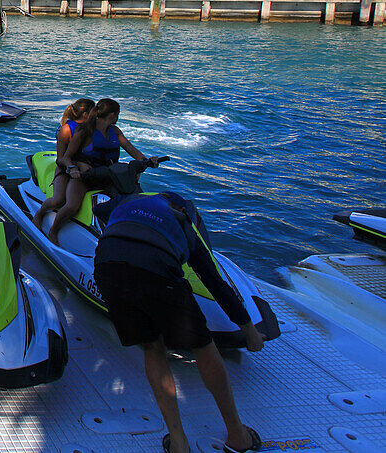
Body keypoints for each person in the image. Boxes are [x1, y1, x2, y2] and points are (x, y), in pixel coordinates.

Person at [93, 192, 263, 453]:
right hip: (157, 267)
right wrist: (249, 331)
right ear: (184, 211)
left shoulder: (128, 200)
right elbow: (215, 283)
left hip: (107, 264)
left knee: (152, 346)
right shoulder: (184, 223)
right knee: (203, 346)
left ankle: (178, 441)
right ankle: (237, 435)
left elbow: (101, 211)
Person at [49, 98, 161, 245]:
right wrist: (73, 168)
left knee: (130, 198)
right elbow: (67, 157)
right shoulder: (84, 131)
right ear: (113, 115)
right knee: (71, 206)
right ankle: (54, 230)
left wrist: (147, 160)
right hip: (84, 177)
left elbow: (132, 150)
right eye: (118, 115)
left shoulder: (115, 132)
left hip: (107, 176)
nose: (118, 118)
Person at [32, 98, 95, 228]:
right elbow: (60, 159)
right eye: (94, 111)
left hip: (83, 171)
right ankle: (40, 212)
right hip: (65, 169)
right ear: (85, 114)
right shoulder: (66, 129)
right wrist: (74, 165)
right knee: (58, 200)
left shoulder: (92, 129)